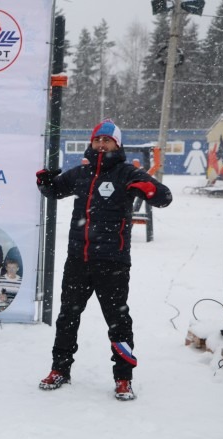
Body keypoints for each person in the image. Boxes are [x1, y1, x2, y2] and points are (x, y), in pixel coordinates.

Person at [36, 119, 172, 401]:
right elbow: (55, 191)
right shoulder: (82, 173)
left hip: (112, 263)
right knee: (67, 318)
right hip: (78, 261)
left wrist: (150, 191)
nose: (101, 144)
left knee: (118, 321)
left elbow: (164, 196)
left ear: (116, 144)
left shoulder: (127, 173)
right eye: (97, 139)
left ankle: (123, 378)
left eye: (107, 141)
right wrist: (45, 181)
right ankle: (59, 369)